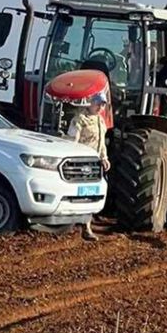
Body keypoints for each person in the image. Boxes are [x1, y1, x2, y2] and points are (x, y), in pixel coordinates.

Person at [66, 92, 110, 241]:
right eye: (98, 103)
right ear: (90, 103)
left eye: (103, 104)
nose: (100, 107)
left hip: (95, 163)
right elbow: (73, 141)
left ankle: (87, 227)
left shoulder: (101, 121)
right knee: (77, 193)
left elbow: (101, 142)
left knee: (90, 194)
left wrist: (104, 158)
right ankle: (70, 227)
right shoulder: (80, 120)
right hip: (82, 162)